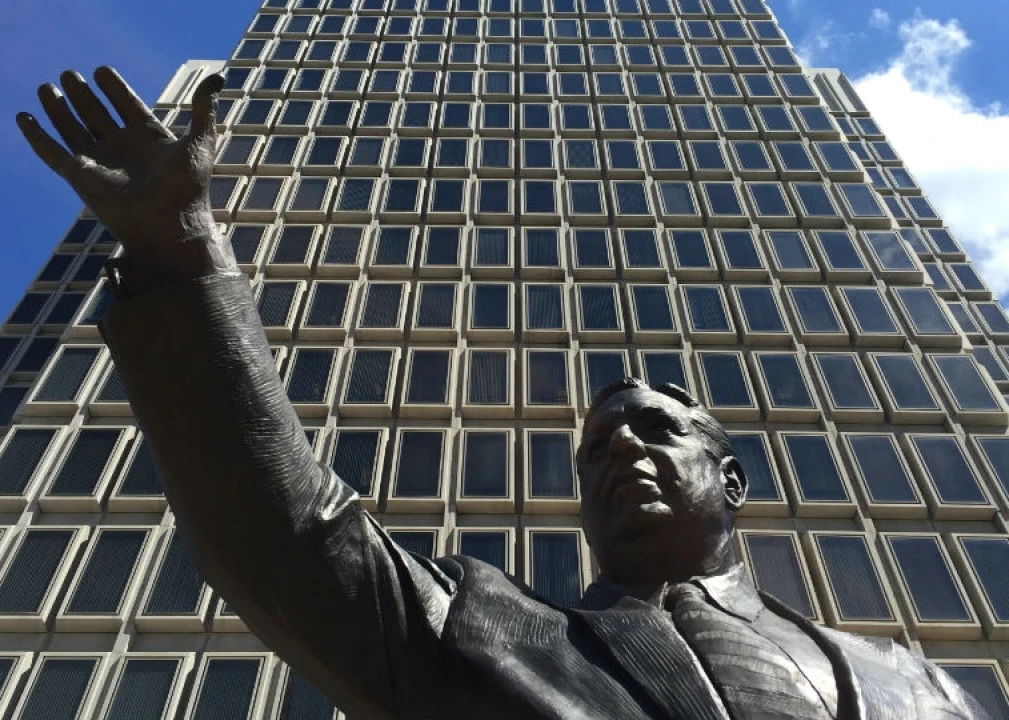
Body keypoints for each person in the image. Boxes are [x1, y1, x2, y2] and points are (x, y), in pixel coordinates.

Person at [16, 67, 990, 720]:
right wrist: (180, 248)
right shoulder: (484, 632)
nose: (621, 449)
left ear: (731, 479)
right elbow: (291, 538)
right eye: (596, 449)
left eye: (656, 430)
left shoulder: (919, 688)